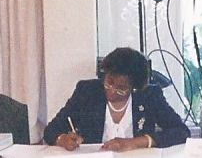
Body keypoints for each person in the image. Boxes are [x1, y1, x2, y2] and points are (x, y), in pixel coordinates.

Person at [43, 46, 189, 151]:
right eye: (109, 82)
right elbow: (51, 130)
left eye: (122, 89)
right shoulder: (87, 92)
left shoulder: (149, 95)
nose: (112, 91)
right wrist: (62, 139)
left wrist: (136, 142)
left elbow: (181, 131)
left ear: (134, 87)